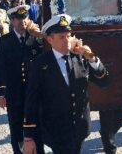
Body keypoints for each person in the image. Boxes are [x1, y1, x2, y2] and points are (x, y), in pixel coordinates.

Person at [23, 14, 110, 154]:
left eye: (68, 36)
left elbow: (104, 81)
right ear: (50, 40)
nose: (67, 40)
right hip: (56, 130)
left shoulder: (80, 58)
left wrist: (92, 58)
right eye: (61, 37)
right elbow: (32, 101)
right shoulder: (40, 64)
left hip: (80, 128)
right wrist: (28, 137)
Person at [0, 5, 45, 154]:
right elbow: (0, 68)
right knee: (16, 128)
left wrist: (39, 36)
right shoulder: (5, 41)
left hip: (33, 91)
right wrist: (0, 93)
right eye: (19, 19)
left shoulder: (35, 38)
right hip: (14, 92)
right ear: (12, 21)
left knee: (36, 128)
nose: (23, 21)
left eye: (25, 18)